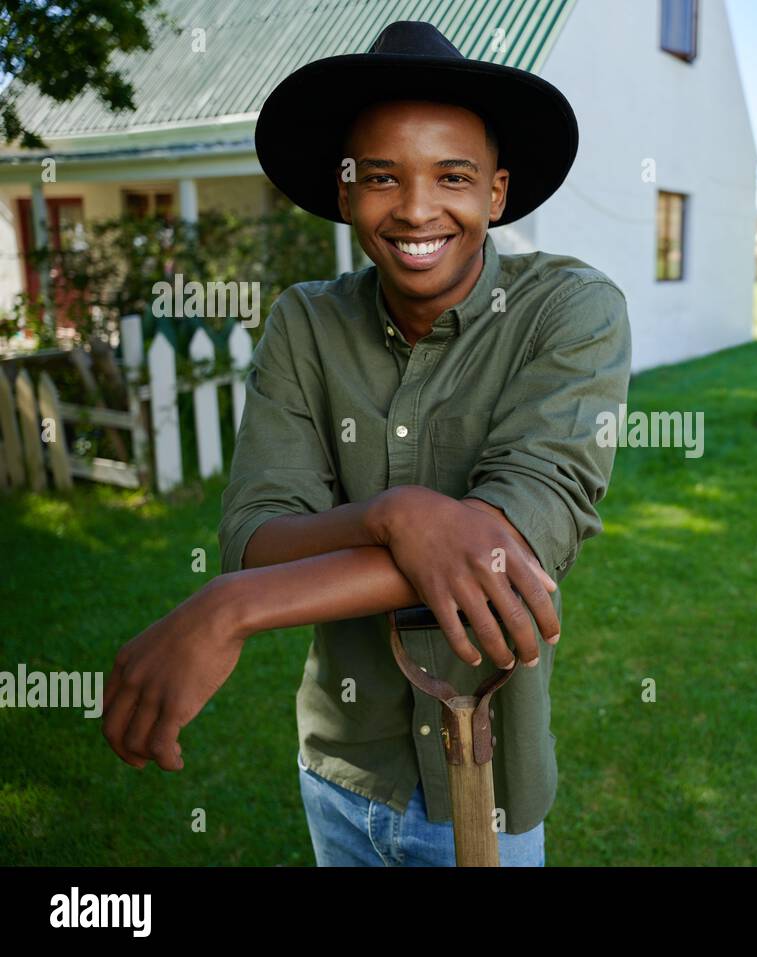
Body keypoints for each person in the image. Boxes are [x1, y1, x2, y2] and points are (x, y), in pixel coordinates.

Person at [100, 20, 633, 867]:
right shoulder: (304, 323)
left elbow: (516, 546)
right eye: (382, 177)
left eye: (452, 176)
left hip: (486, 790)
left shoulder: (571, 312)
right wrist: (399, 515)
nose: (418, 208)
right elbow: (256, 535)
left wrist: (229, 609)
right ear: (344, 192)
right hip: (341, 774)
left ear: (497, 193)